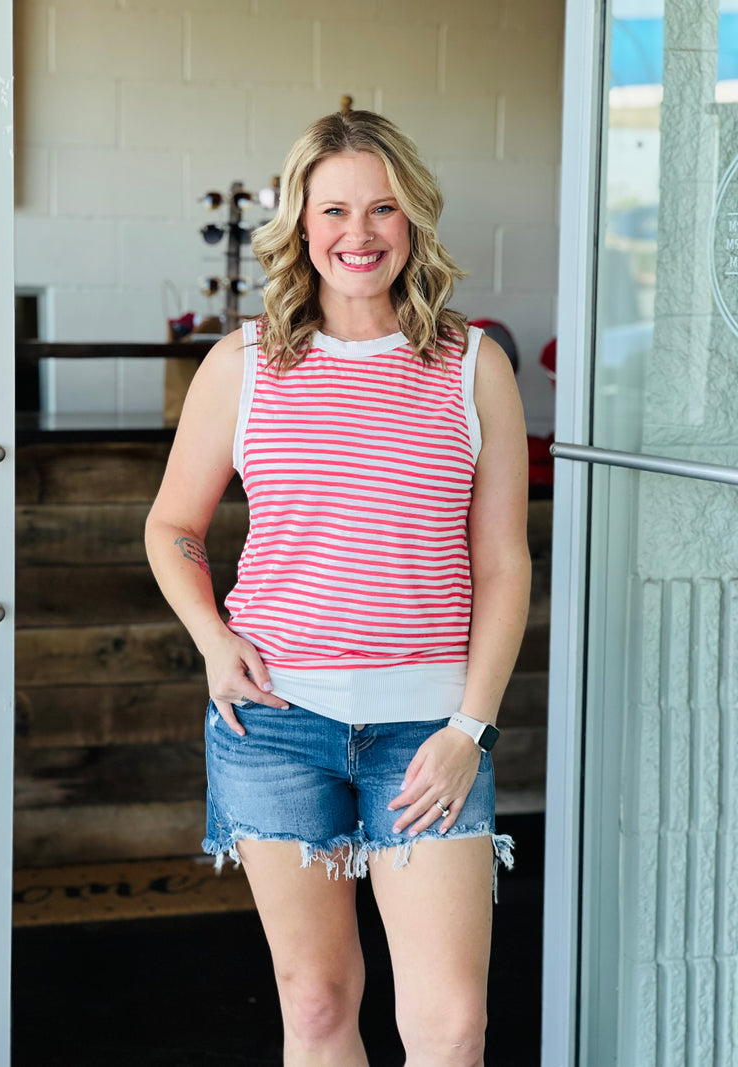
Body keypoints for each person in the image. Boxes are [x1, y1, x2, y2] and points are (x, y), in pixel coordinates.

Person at [145, 109, 531, 1067]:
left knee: (449, 1027)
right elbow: (172, 527)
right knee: (316, 1007)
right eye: (335, 210)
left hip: (430, 733)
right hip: (275, 722)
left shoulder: (474, 366)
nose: (359, 233)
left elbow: (505, 565)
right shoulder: (242, 365)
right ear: (301, 224)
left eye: (384, 209)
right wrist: (211, 636)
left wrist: (469, 728)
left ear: (414, 222)